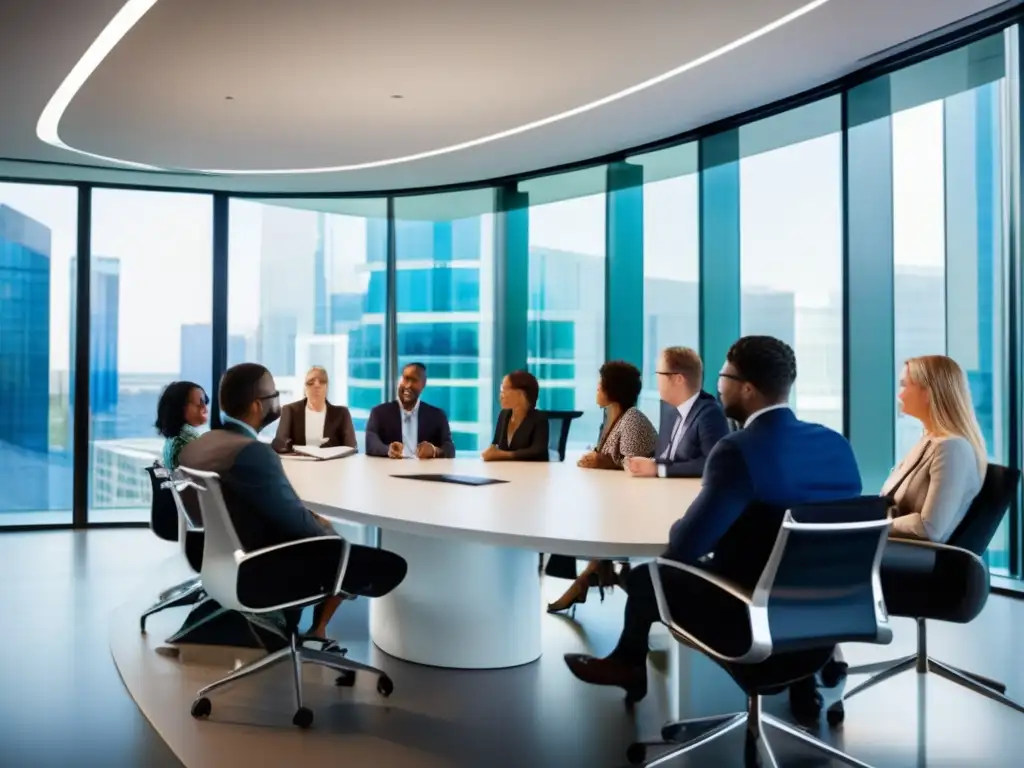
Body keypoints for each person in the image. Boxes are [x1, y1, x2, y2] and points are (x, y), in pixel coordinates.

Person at [561, 336, 863, 705]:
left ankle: (628, 665)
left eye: (723, 375)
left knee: (646, 576)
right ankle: (803, 684)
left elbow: (685, 546)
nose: (717, 385)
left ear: (747, 388)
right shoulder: (837, 445)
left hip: (748, 619)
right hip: (829, 620)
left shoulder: (738, 450)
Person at [178, 363, 407, 640]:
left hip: (217, 560)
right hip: (263, 570)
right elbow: (301, 528)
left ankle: (303, 627)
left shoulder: (200, 444)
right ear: (255, 406)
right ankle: (312, 630)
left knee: (323, 529)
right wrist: (322, 526)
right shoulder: (253, 453)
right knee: (388, 564)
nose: (278, 400)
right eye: (273, 395)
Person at [547, 361, 658, 614]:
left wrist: (603, 462)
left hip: (635, 510)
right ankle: (588, 578)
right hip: (615, 503)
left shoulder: (633, 420)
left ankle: (584, 580)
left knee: (570, 514)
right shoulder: (610, 418)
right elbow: (605, 457)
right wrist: (596, 459)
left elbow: (635, 466)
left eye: (600, 386)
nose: (596, 390)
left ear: (613, 389)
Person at [885, 354, 986, 541]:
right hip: (894, 546)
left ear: (928, 392)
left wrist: (876, 526)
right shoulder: (928, 440)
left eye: (905, 385)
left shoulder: (952, 448)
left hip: (917, 554)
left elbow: (929, 528)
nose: (899, 394)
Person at [624, 346, 729, 478]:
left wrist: (658, 469)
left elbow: (713, 463)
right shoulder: (670, 412)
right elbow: (668, 457)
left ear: (678, 379)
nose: (657, 380)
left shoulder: (709, 414)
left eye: (659, 374)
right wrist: (647, 463)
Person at [365, 362, 456, 459]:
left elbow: (450, 448)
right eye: (406, 378)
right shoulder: (379, 413)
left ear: (423, 384)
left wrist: (434, 450)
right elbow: (371, 443)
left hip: (425, 472)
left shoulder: (437, 416)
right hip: (389, 471)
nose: (408, 385)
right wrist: (388, 450)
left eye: (414, 380)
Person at [272, 366, 357, 454]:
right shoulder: (290, 411)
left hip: (331, 464)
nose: (316, 386)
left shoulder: (341, 414)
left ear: (327, 387)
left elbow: (351, 447)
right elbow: (279, 444)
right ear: (305, 388)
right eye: (310, 382)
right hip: (298, 463)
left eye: (322, 382)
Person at [482, 370, 549, 462]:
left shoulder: (539, 418)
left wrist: (501, 455)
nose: (501, 395)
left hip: (532, 473)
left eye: (505, 390)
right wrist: (490, 451)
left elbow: (537, 451)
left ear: (521, 394)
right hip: (506, 471)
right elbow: (496, 444)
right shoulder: (504, 415)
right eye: (502, 390)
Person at [155, 381, 208, 469]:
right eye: (199, 403)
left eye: (205, 402)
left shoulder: (172, 440)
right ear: (179, 408)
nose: (205, 409)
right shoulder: (188, 440)